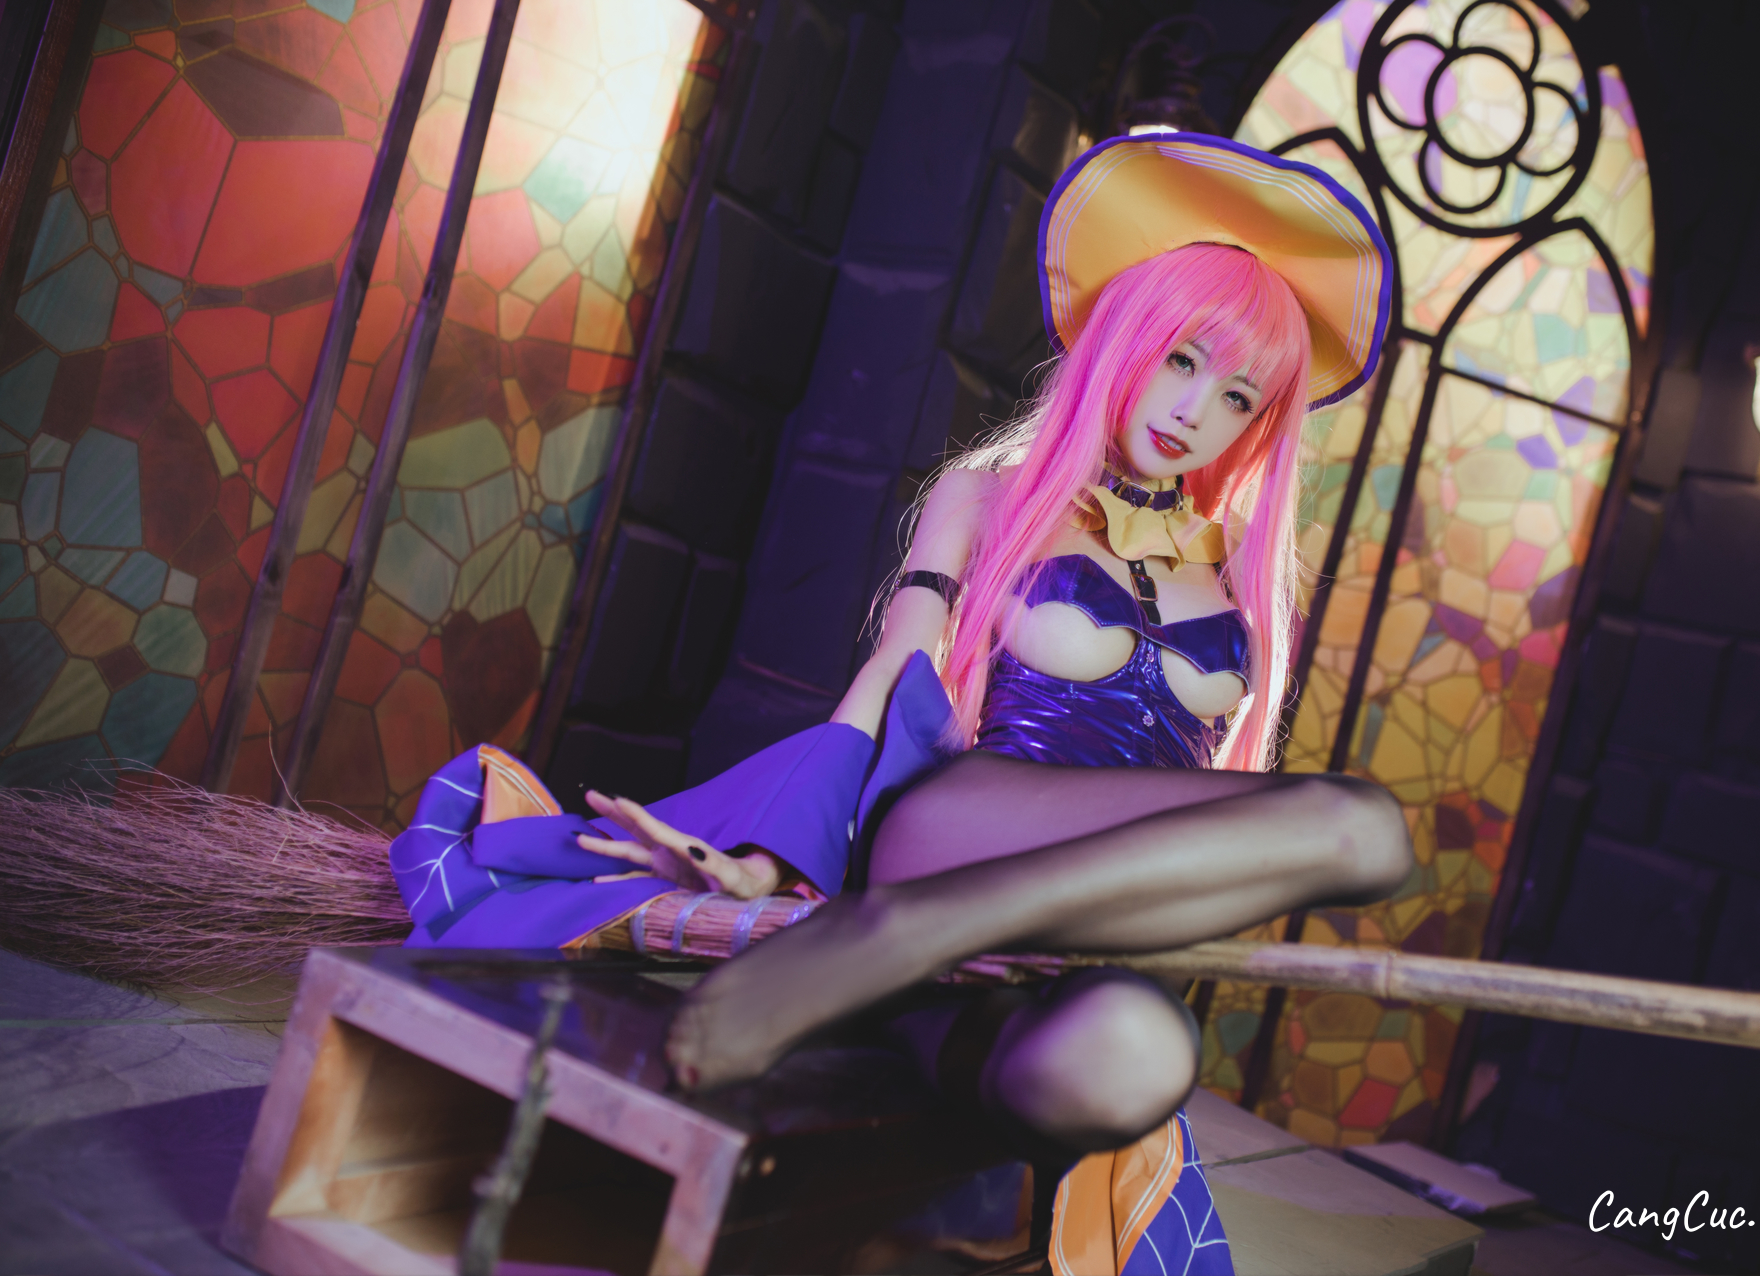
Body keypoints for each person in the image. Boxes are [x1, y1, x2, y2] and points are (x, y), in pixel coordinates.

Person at [383, 132, 1408, 1271]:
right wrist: (772, 855)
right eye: (1181, 358)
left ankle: (901, 983)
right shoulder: (993, 498)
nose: (1194, 410)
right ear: (1126, 336)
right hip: (960, 828)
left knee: (1134, 1053)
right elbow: (893, 674)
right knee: (1358, 824)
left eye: (1236, 395)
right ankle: (890, 929)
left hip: (1050, 937)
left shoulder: (1239, 589)